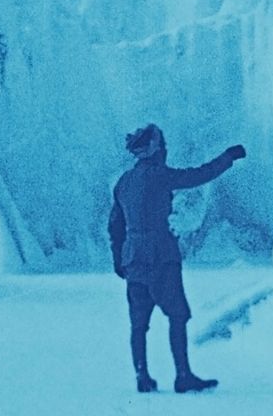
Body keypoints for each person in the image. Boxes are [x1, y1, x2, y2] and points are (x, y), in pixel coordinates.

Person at [108, 123, 246, 393]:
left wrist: (119, 257)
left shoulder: (124, 182)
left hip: (132, 258)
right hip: (160, 256)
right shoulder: (158, 175)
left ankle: (142, 376)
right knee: (178, 314)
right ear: (156, 148)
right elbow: (199, 175)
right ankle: (183, 375)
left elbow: (115, 225)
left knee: (138, 322)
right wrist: (228, 157)